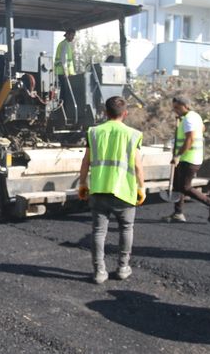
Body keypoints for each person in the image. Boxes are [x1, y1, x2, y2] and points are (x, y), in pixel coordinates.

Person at [78, 96, 145, 284]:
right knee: (126, 228)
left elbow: (86, 161)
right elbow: (138, 165)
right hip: (124, 191)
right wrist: (142, 187)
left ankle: (99, 271)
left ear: (104, 112)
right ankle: (123, 268)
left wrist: (83, 183)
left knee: (99, 232)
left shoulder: (94, 132)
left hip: (99, 189)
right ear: (125, 113)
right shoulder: (133, 134)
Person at [163, 96, 210, 223]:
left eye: (177, 108)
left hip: (188, 158)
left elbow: (190, 139)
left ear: (186, 106)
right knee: (178, 186)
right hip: (192, 157)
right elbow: (202, 129)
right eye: (174, 108)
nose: (175, 110)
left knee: (185, 187)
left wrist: (177, 155)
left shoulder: (188, 119)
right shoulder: (195, 116)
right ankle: (178, 213)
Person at [54, 28, 76, 101]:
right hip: (63, 73)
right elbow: (64, 59)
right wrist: (65, 72)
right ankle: (62, 106)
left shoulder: (65, 44)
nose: (73, 37)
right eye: (72, 35)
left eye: (74, 35)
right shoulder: (65, 45)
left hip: (63, 72)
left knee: (64, 91)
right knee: (64, 92)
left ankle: (62, 104)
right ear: (67, 35)